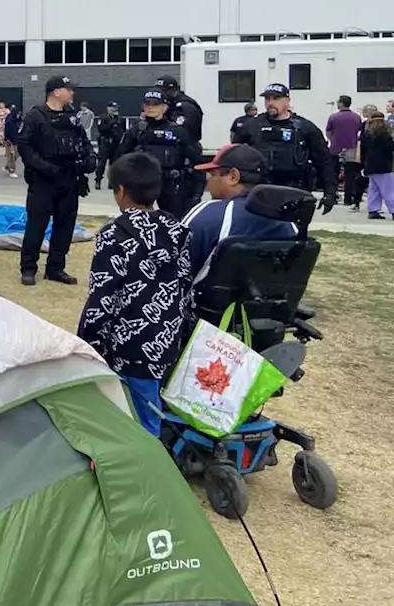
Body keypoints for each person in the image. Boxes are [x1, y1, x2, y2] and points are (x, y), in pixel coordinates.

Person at [79, 152, 193, 436]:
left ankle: (148, 468)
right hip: (167, 339)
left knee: (138, 420)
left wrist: (87, 344)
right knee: (150, 402)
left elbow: (102, 299)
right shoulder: (177, 230)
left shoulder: (113, 236)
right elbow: (186, 285)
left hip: (129, 344)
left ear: (120, 191)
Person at [15, 75, 95, 286]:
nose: (72, 93)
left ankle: (55, 268)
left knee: (65, 226)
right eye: (68, 89)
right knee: (36, 225)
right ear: (56, 91)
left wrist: (90, 159)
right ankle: (28, 268)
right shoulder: (36, 116)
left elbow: (83, 141)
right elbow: (24, 146)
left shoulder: (72, 116)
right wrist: (45, 167)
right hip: (44, 180)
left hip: (69, 179)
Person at [182, 144, 298, 283]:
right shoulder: (288, 220)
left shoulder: (210, 213)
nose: (208, 181)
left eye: (213, 174)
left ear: (233, 176)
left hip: (209, 303)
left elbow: (174, 268)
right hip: (272, 303)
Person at [232, 83, 336, 214]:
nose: (270, 103)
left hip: (294, 193)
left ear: (287, 101)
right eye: (267, 99)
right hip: (260, 192)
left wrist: (330, 194)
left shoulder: (305, 128)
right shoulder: (252, 126)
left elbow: (324, 162)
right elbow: (234, 156)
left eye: (276, 99)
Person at [114, 90, 202, 218]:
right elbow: (120, 157)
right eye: (147, 104)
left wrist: (196, 192)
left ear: (164, 107)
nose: (150, 107)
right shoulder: (137, 130)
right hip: (143, 184)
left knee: (174, 221)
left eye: (155, 104)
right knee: (139, 221)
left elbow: (196, 160)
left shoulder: (178, 131)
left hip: (171, 185)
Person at [326, 95, 364, 210]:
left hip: (336, 149)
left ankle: (333, 196)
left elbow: (328, 132)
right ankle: (348, 199)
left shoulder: (333, 117)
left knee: (333, 174)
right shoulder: (357, 117)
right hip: (351, 148)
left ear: (341, 103)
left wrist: (333, 140)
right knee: (350, 175)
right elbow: (359, 132)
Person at [358, 111, 394, 219]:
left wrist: (363, 163)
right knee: (389, 190)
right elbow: (389, 149)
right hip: (383, 166)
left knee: (374, 189)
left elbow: (363, 150)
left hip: (370, 165)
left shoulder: (366, 134)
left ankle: (373, 210)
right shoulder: (385, 134)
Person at [94, 101, 125, 190]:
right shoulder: (103, 117)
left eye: (115, 108)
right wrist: (112, 122)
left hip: (115, 144)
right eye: (112, 108)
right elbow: (102, 129)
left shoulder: (119, 118)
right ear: (108, 108)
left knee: (114, 164)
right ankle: (98, 180)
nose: (114, 110)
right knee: (101, 163)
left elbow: (122, 130)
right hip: (105, 143)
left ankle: (112, 182)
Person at [2, 103, 21, 178]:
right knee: (11, 156)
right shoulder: (9, 120)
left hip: (16, 140)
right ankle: (12, 171)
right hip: (9, 141)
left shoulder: (16, 121)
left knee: (16, 155)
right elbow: (6, 131)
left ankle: (7, 166)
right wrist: (7, 139)